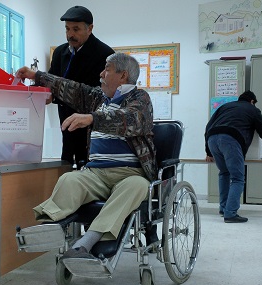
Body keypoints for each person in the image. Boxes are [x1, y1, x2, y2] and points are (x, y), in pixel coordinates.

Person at [16, 53, 157, 260]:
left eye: (107, 69)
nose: (101, 73)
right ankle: (49, 227)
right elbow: (72, 88)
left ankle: (86, 242)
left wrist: (91, 118)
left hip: (130, 174)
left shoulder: (140, 98)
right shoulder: (99, 98)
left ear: (123, 75)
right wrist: (36, 75)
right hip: (96, 173)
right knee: (69, 179)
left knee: (137, 186)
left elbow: (129, 119)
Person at [204, 90, 262, 223]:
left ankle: (224, 208)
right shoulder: (253, 110)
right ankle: (230, 214)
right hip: (230, 139)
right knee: (237, 178)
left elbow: (208, 127)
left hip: (212, 139)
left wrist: (208, 152)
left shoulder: (225, 107)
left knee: (224, 173)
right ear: (252, 101)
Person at [49, 5, 115, 168]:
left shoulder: (105, 54)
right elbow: (52, 81)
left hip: (91, 126)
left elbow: (106, 93)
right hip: (66, 121)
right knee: (65, 165)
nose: (70, 34)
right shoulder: (60, 52)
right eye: (67, 29)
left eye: (76, 29)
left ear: (90, 28)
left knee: (88, 167)